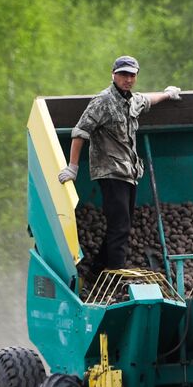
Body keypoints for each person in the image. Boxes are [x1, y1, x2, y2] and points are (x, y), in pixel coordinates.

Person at [58, 56, 181, 275]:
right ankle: (116, 274)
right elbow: (79, 132)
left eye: (132, 75)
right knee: (121, 225)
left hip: (128, 173)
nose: (128, 79)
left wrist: (167, 94)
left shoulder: (130, 100)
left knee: (121, 224)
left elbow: (147, 100)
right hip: (110, 172)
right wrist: (72, 167)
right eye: (123, 74)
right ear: (113, 75)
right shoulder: (102, 101)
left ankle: (97, 271)